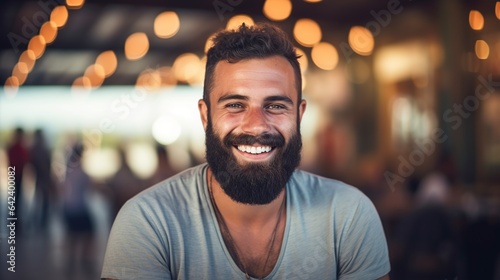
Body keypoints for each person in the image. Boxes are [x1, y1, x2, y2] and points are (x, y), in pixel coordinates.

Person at [102, 23, 390, 280]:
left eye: (276, 106)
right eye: (235, 105)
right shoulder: (148, 223)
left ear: (299, 115)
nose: (255, 126)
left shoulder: (348, 215)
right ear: (206, 116)